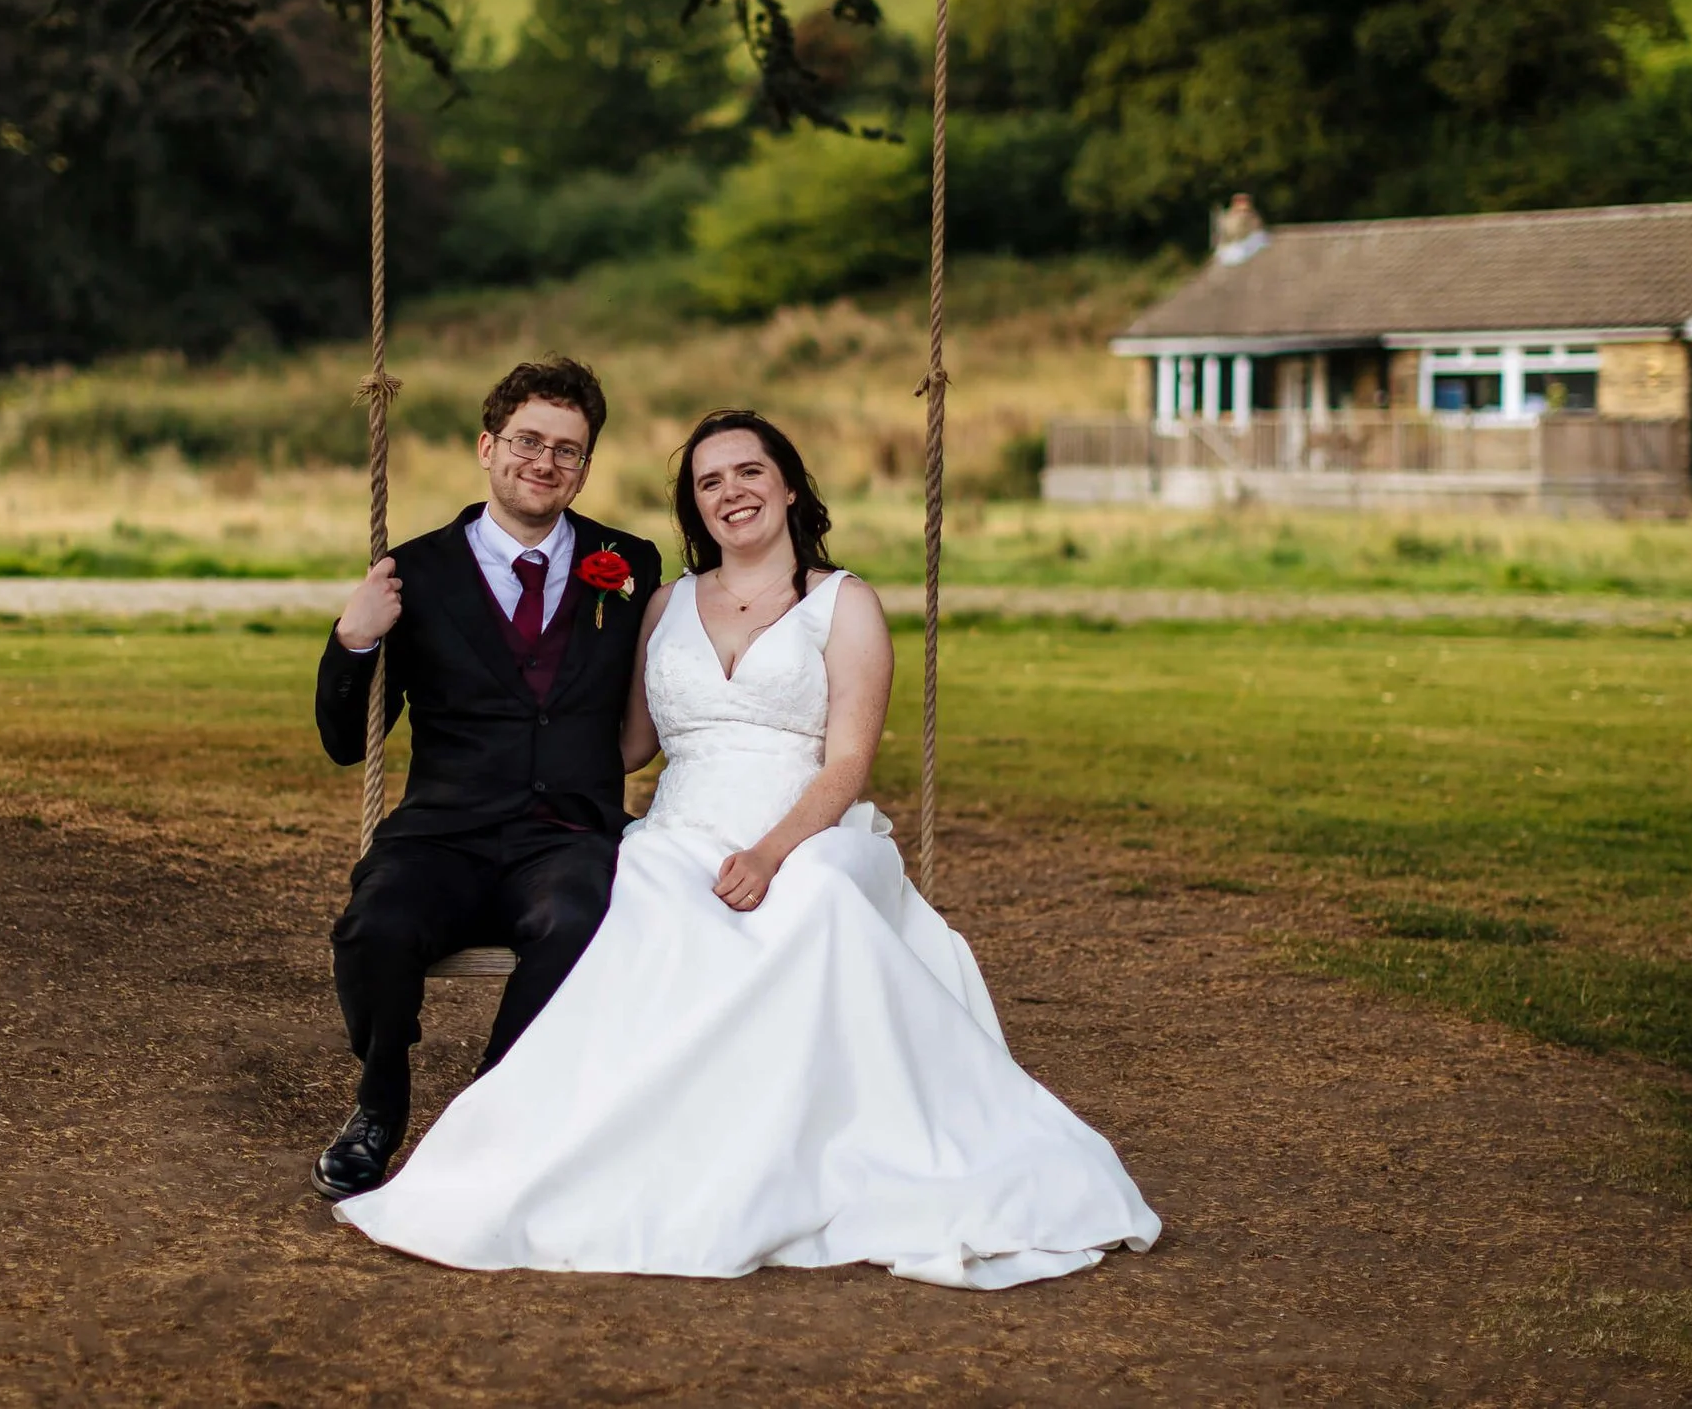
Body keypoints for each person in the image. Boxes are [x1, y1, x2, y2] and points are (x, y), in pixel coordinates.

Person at [332, 410, 1160, 1288]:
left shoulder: (845, 602)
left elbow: (847, 762)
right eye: (709, 481)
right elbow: (625, 746)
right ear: (693, 506)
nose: (733, 492)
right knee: (635, 901)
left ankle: (802, 1144)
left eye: (749, 472)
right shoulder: (662, 602)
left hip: (805, 832)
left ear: (790, 483)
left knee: (822, 904)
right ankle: (542, 1124)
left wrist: (771, 853)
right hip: (682, 830)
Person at [311, 358, 663, 1201]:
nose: (545, 463)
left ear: (586, 465)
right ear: (487, 445)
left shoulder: (631, 562)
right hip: (445, 831)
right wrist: (352, 639)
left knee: (580, 917)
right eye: (528, 441)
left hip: (568, 834)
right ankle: (380, 1099)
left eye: (568, 451)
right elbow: (340, 741)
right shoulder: (414, 571)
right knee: (374, 927)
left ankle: (492, 1102)